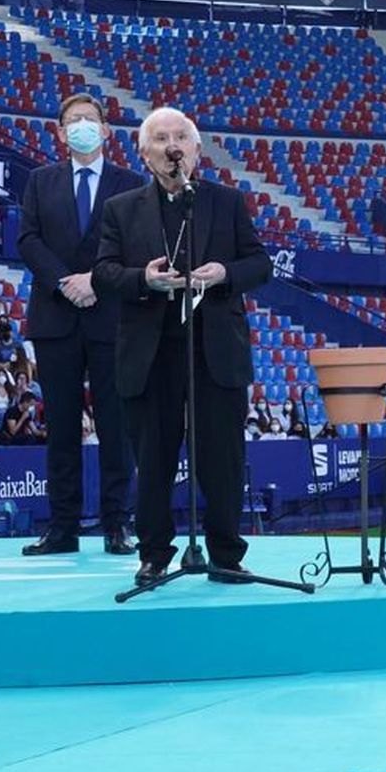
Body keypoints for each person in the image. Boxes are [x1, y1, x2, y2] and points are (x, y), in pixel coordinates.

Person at [92, 107, 272, 586]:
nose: (174, 145)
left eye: (182, 137)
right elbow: (104, 273)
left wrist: (225, 274)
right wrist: (144, 279)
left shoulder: (227, 202)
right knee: (153, 458)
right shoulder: (121, 209)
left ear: (195, 148)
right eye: (162, 138)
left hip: (214, 347)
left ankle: (226, 554)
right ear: (144, 153)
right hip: (151, 352)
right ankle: (153, 554)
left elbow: (259, 263)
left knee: (222, 457)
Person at [17, 93, 144, 556]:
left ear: (106, 130)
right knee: (63, 429)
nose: (82, 126)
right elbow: (27, 238)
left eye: (90, 119)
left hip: (111, 317)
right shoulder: (39, 181)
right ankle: (62, 526)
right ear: (59, 131)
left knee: (116, 427)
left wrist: (96, 281)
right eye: (73, 120)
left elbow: (136, 246)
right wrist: (64, 282)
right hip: (56, 317)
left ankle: (117, 523)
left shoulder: (129, 183)